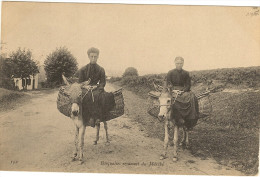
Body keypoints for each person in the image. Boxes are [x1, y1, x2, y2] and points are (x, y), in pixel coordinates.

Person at [78, 47, 114, 127]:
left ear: (98, 57)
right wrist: (85, 86)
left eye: (95, 57)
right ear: (88, 57)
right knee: (82, 97)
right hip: (85, 89)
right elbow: (79, 83)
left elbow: (103, 82)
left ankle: (98, 117)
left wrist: (96, 87)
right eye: (92, 56)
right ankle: (85, 117)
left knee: (102, 96)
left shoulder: (101, 69)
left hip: (96, 88)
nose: (93, 58)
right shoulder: (83, 69)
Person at [166, 56, 199, 130]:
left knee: (192, 97)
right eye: (177, 63)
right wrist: (173, 90)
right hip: (173, 90)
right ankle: (172, 117)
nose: (179, 65)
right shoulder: (170, 72)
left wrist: (183, 91)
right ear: (175, 63)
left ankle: (190, 118)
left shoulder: (186, 73)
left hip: (183, 90)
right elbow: (168, 83)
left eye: (181, 63)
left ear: (183, 64)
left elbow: (188, 84)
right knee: (169, 99)